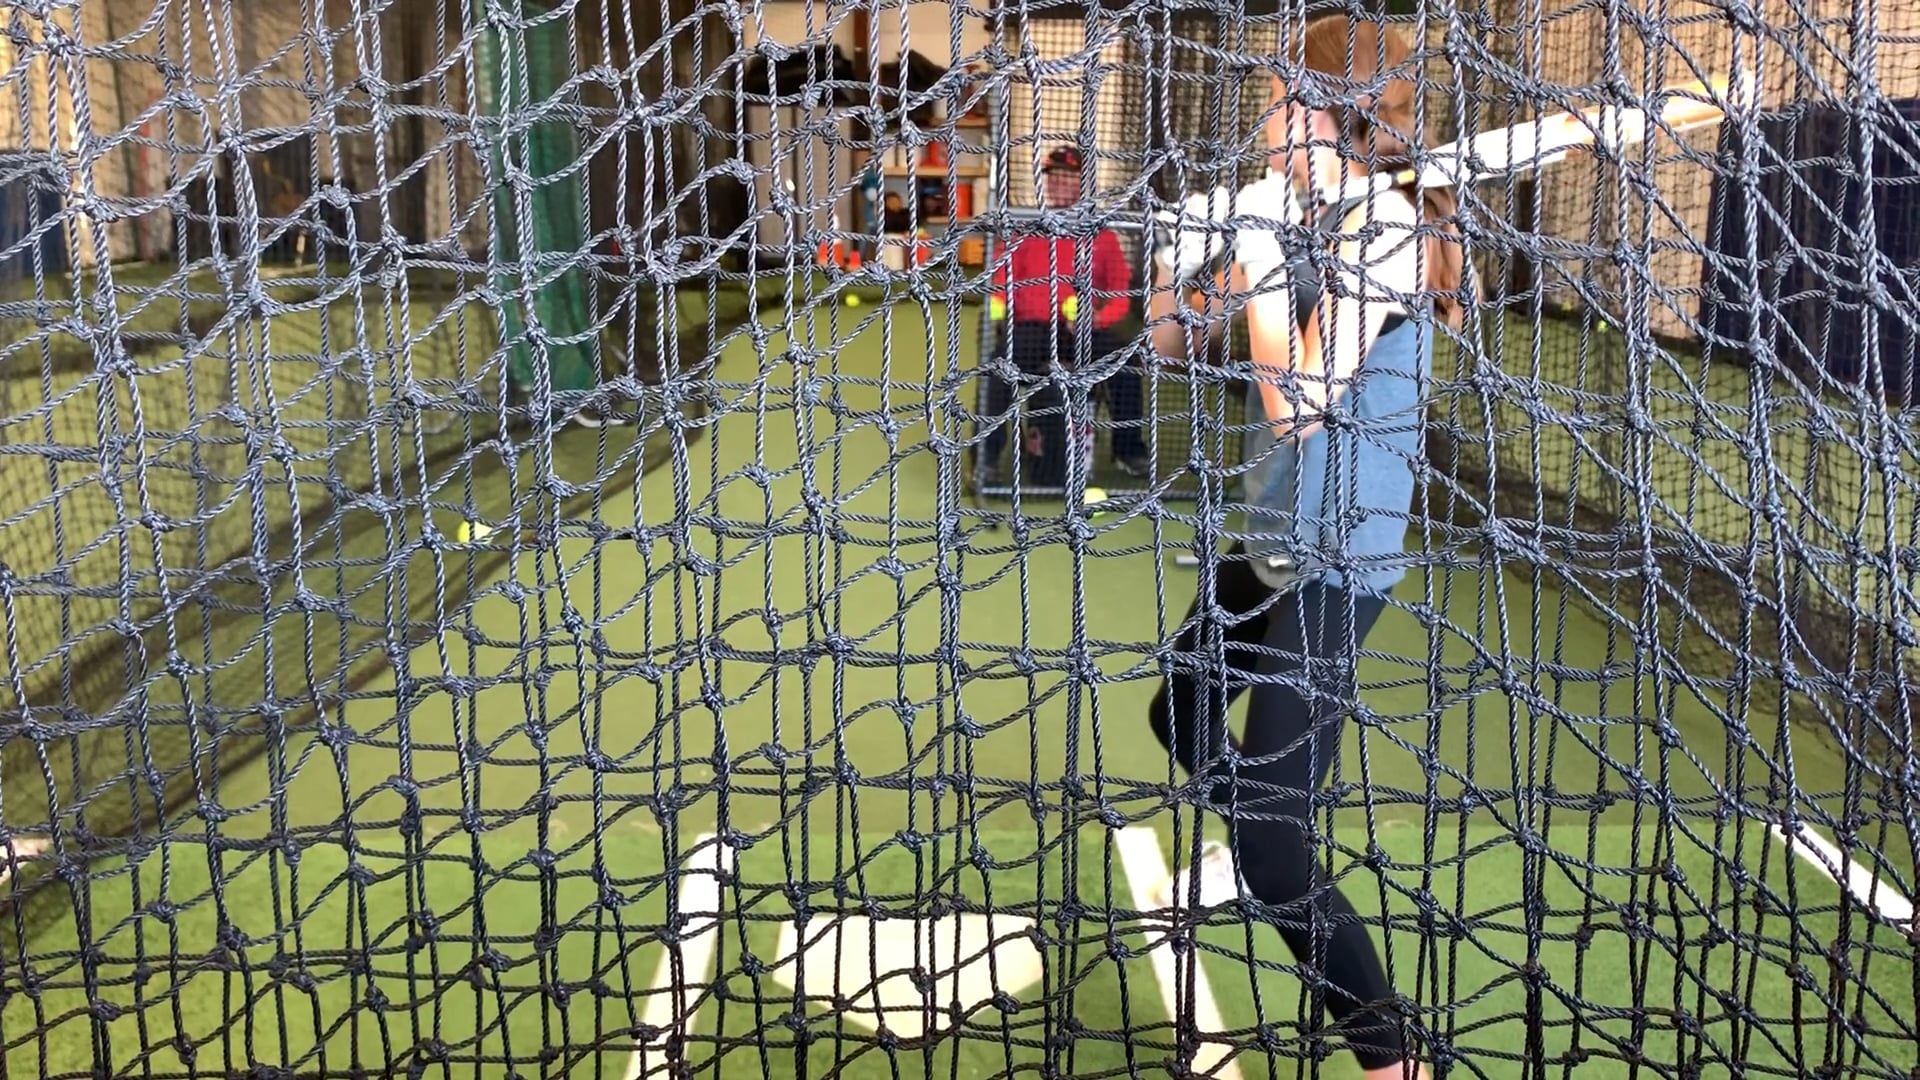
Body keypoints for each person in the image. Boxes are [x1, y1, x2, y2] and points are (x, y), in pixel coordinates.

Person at [1142, 15, 1466, 1080]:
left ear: (1323, 113)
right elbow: (1171, 343)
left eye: (1279, 100)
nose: (1262, 117)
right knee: (1182, 707)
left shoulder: (1387, 232)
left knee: (1274, 847)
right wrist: (1179, 258)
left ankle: (1392, 1061)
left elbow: (1301, 403)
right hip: (1276, 534)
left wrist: (1261, 251)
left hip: (1341, 556)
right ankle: (1266, 843)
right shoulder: (1300, 214)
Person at [979, 145, 1150, 487]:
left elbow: (1120, 294)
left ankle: (1128, 450)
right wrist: (1000, 320)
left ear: (1083, 184)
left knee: (1127, 363)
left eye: (1067, 177)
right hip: (1030, 331)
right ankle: (987, 459)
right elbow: (999, 281)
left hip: (1081, 333)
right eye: (1052, 176)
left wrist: (1096, 319)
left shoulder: (1101, 236)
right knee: (998, 369)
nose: (1057, 183)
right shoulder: (1025, 230)